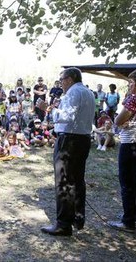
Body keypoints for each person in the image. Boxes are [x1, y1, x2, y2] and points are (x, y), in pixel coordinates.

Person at [39, 67, 95, 236]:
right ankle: (78, 217)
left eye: (62, 79)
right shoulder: (88, 92)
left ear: (69, 79)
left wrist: (48, 109)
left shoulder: (73, 92)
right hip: (83, 138)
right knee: (78, 179)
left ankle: (64, 224)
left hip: (70, 140)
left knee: (64, 180)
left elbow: (67, 116)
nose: (61, 83)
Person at [107, 68, 136, 232]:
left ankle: (128, 221)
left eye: (131, 83)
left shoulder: (134, 99)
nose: (128, 86)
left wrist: (120, 119)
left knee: (127, 182)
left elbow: (119, 120)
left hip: (130, 144)